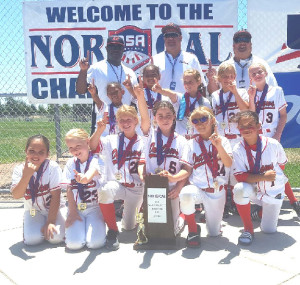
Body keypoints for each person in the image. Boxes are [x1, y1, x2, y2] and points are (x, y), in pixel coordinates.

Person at [135, 80, 192, 236]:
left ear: (174, 117)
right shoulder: (149, 136)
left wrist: (177, 184)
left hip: (172, 188)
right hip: (153, 186)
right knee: (152, 230)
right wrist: (140, 96)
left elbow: (187, 170)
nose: (165, 119)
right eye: (160, 116)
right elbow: (144, 119)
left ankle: (182, 215)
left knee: (171, 232)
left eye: (168, 115)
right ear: (155, 118)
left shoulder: (181, 140)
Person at [89, 101, 148, 251]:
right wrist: (99, 130)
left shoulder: (143, 142)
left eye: (129, 119)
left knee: (128, 227)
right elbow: (92, 146)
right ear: (117, 122)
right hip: (118, 185)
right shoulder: (111, 139)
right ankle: (113, 230)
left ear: (136, 120)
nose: (125, 123)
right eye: (121, 120)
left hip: (136, 188)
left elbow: (143, 165)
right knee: (105, 191)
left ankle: (126, 213)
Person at [247, 63, 300, 219]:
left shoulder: (276, 91)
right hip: (256, 138)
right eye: (253, 73)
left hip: (271, 137)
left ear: (265, 73)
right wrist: (250, 98)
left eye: (260, 72)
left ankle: (292, 202)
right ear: (250, 78)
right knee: (265, 172)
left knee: (277, 171)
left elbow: (283, 115)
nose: (257, 75)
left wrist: (278, 134)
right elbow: (251, 116)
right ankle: (272, 204)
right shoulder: (250, 92)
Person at [179, 107, 233, 247]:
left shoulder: (223, 141)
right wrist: (172, 178)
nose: (200, 123)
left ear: (212, 120)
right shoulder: (190, 144)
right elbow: (187, 170)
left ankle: (212, 223)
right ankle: (192, 230)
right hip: (199, 189)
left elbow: (228, 163)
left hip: (217, 191)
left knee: (214, 233)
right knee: (186, 194)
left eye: (204, 118)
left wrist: (218, 146)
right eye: (195, 121)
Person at [232, 111, 287, 245]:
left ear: (258, 126)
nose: (246, 129)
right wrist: (262, 176)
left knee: (268, 230)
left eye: (250, 125)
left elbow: (282, 166)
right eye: (242, 126)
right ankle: (248, 229)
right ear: (238, 129)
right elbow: (240, 176)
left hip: (272, 191)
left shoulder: (273, 144)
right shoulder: (238, 149)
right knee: (239, 189)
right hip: (253, 190)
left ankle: (259, 212)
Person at [76, 36, 137, 134]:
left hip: (126, 126)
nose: (115, 49)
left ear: (123, 49)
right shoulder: (96, 68)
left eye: (118, 47)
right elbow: (81, 90)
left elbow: (134, 101)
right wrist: (83, 71)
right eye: (112, 46)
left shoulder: (130, 72)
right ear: (106, 49)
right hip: (104, 125)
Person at [11, 135, 65, 245]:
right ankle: (37, 226)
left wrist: (50, 222)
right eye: (32, 151)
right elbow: (16, 195)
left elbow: (56, 196)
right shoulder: (19, 170)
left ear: (47, 154)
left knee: (56, 238)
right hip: (33, 211)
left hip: (54, 209)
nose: (36, 155)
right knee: (32, 240)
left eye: (41, 152)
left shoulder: (52, 167)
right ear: (26, 151)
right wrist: (26, 176)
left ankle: (47, 224)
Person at [211, 62, 249, 216]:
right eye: (225, 76)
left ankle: (235, 202)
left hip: (238, 137)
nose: (228, 79)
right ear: (219, 78)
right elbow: (214, 117)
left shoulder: (242, 91)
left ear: (235, 77)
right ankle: (224, 204)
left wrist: (235, 92)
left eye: (231, 76)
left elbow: (246, 109)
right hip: (223, 139)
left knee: (236, 171)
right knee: (223, 171)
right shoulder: (215, 95)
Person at [61, 129, 106, 250]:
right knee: (73, 245)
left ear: (87, 142)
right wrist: (72, 212)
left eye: (78, 146)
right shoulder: (71, 163)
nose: (74, 150)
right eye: (70, 147)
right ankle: (78, 230)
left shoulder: (97, 160)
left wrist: (84, 178)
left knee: (95, 244)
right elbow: (69, 189)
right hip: (76, 208)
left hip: (94, 208)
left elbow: (89, 175)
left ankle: (94, 227)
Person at [207, 29, 277, 94]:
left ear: (251, 45)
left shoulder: (261, 64)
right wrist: (211, 80)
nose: (242, 43)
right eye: (238, 40)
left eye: (246, 40)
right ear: (233, 46)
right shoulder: (224, 66)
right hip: (230, 106)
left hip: (257, 106)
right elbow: (213, 93)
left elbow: (273, 90)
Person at [152, 69, 211, 139]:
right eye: (185, 82)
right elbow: (171, 94)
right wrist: (161, 90)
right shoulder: (181, 98)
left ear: (198, 82)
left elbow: (209, 122)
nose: (187, 85)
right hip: (181, 139)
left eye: (190, 82)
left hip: (197, 139)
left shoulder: (204, 102)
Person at [152, 23, 206, 94]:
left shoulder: (191, 59)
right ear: (164, 39)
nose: (171, 38)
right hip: (162, 104)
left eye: (174, 35)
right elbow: (148, 86)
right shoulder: (155, 59)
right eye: (167, 35)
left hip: (185, 103)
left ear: (180, 38)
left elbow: (201, 85)